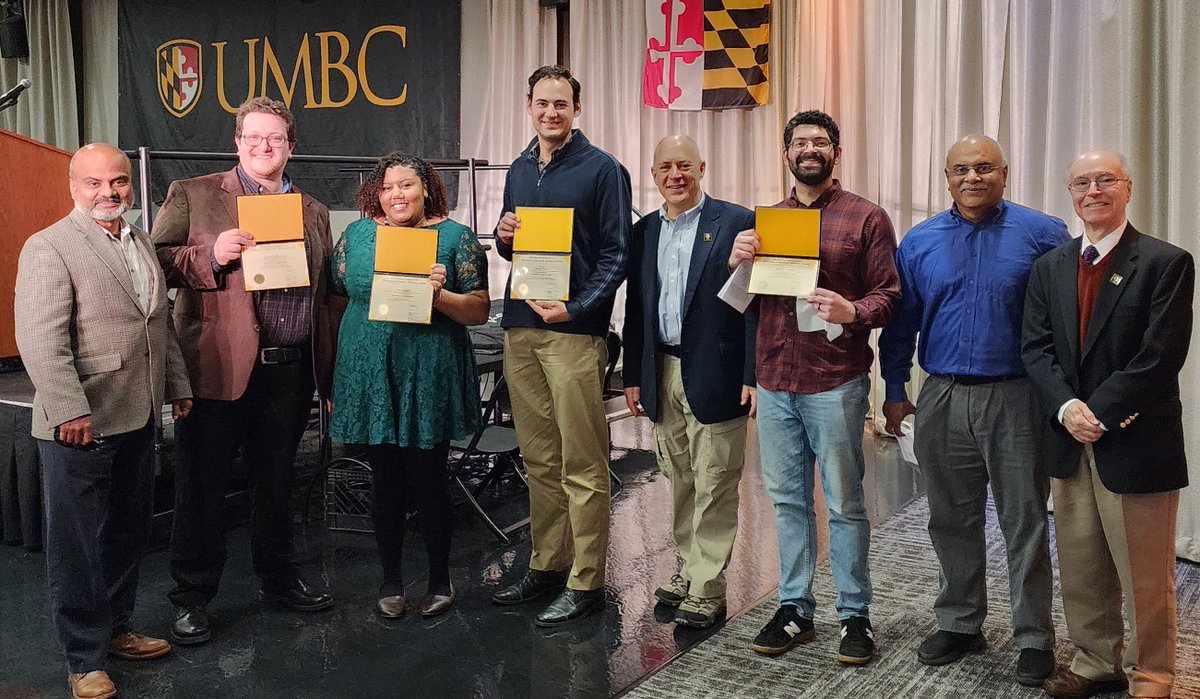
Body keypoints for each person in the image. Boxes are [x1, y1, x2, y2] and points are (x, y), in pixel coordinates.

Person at [877, 134, 1067, 686]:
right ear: (947, 177)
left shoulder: (1043, 234)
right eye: (961, 169)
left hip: (1017, 396)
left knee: (1024, 519)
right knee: (949, 516)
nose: (972, 178)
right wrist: (894, 388)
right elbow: (902, 324)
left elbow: (1064, 321)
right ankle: (960, 622)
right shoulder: (920, 242)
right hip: (941, 394)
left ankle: (1034, 636)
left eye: (984, 167)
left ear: (1004, 173)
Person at [152, 96, 342, 645]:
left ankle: (279, 578)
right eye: (253, 137)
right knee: (202, 486)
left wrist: (327, 373)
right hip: (217, 368)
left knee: (278, 483)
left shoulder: (313, 210)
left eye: (275, 138)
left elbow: (325, 294)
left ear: (290, 147)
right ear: (237, 143)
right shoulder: (193, 194)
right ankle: (192, 596)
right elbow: (156, 261)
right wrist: (211, 255)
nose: (264, 146)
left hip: (289, 371)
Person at [14, 143, 192, 699]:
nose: (107, 192)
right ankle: (84, 659)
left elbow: (157, 323)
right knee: (78, 546)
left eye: (117, 181)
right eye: (93, 183)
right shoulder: (49, 246)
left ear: (130, 186)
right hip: (80, 421)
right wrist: (69, 406)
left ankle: (117, 629)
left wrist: (178, 385)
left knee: (125, 531)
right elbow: (39, 338)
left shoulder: (140, 240)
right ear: (73, 187)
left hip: (137, 413)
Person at [728, 109, 899, 664]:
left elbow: (889, 295)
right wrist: (737, 263)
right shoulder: (767, 222)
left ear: (835, 153)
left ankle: (854, 614)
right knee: (787, 501)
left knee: (845, 503)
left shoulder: (866, 218)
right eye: (799, 142)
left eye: (820, 142)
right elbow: (742, 302)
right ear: (786, 153)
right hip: (775, 379)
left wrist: (853, 311)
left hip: (835, 381)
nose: (809, 150)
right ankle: (795, 607)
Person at [1022, 150, 1193, 699]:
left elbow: (1160, 355)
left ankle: (1152, 675)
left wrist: (1098, 411)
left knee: (1144, 572)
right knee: (1081, 564)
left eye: (1105, 180)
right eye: (1081, 183)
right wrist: (1066, 409)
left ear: (1127, 188)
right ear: (1070, 194)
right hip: (1069, 438)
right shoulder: (1050, 266)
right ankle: (1096, 662)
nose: (1093, 191)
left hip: (1135, 439)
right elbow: (1036, 348)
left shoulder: (1166, 262)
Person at [489, 65, 631, 627]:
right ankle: (548, 564)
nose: (551, 113)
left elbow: (617, 255)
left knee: (582, 461)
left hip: (573, 332)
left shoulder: (603, 169)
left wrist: (578, 307)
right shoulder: (519, 169)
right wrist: (503, 239)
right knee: (539, 459)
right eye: (542, 103)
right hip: (522, 327)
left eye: (561, 104)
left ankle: (587, 579)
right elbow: (514, 250)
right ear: (528, 106)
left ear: (577, 109)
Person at [329, 152, 489, 618]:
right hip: (371, 372)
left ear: (426, 189)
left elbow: (478, 309)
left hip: (427, 370)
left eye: (406, 185)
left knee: (428, 478)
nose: (396, 195)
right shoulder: (356, 235)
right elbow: (338, 295)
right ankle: (391, 580)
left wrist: (439, 296)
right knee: (384, 480)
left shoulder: (455, 238)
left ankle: (440, 579)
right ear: (375, 193)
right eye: (386, 187)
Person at [622, 134, 756, 628]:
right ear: (653, 175)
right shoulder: (643, 232)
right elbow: (637, 308)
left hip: (718, 371)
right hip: (661, 369)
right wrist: (634, 373)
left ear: (702, 168)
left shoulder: (738, 222)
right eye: (665, 167)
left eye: (684, 165)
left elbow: (754, 302)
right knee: (679, 477)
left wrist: (752, 373)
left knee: (716, 479)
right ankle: (689, 567)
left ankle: (707, 586)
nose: (675, 175)